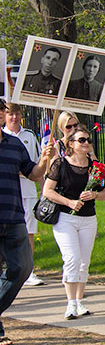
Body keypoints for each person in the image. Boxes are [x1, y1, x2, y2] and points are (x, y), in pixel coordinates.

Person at [42, 124, 105, 319]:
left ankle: (80, 301)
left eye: (88, 140)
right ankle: (70, 303)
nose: (86, 143)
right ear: (71, 143)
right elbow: (48, 191)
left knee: (84, 262)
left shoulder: (95, 166)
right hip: (65, 218)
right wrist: (69, 202)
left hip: (88, 218)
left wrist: (95, 194)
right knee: (71, 258)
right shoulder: (61, 164)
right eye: (81, 140)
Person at [0, 126, 54, 345]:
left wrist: (44, 160)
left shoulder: (14, 144)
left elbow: (33, 174)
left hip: (13, 218)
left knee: (23, 267)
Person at [3, 103, 45, 286]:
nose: (13, 117)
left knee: (23, 261)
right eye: (9, 114)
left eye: (16, 114)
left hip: (20, 202)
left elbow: (34, 169)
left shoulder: (23, 139)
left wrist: (44, 162)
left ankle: (29, 273)